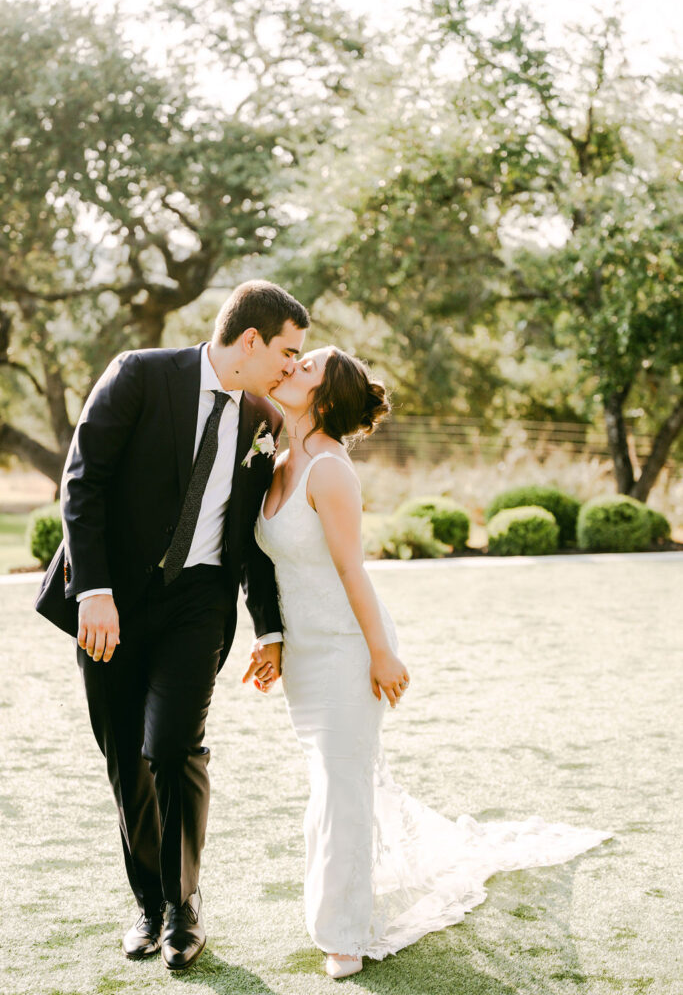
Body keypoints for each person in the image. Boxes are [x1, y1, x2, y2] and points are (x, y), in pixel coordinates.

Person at [245, 346, 614, 980]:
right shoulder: (277, 459)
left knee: (342, 788)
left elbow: (351, 570)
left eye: (306, 368)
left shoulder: (330, 471)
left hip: (349, 648)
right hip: (305, 654)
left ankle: (344, 932)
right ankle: (334, 908)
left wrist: (383, 654)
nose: (292, 369)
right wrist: (271, 638)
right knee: (329, 785)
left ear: (327, 398)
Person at [35, 280, 309, 971]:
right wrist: (93, 590)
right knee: (126, 756)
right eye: (286, 351)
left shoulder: (262, 418)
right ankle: (149, 906)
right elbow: (83, 481)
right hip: (111, 603)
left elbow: (250, 536)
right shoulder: (139, 374)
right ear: (248, 340)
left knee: (172, 747)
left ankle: (184, 906)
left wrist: (267, 628)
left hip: (197, 605)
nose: (289, 367)